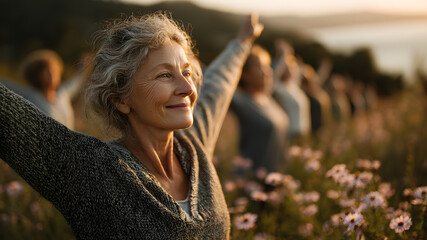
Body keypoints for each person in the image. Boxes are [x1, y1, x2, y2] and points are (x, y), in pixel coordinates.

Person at [0, 12, 263, 239]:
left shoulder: (195, 147)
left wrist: (243, 41)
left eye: (185, 72)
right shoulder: (90, 170)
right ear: (121, 99)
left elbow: (218, 84)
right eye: (164, 75)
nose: (187, 88)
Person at [230, 44, 289, 172]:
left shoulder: (267, 97)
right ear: (245, 74)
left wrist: (283, 55)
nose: (268, 71)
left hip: (276, 178)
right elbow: (216, 81)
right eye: (260, 67)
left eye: (268, 66)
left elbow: (277, 69)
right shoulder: (239, 100)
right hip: (253, 182)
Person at [1, 50, 82, 129]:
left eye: (54, 70)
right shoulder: (32, 97)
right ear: (37, 75)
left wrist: (85, 66)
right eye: (46, 71)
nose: (51, 74)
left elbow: (76, 81)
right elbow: (7, 85)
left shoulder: (62, 94)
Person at [272, 39, 311, 139]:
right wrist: (283, 56)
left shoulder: (294, 86)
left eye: (293, 67)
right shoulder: (279, 88)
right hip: (290, 136)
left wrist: (288, 53)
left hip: (304, 134)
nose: (291, 69)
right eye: (288, 67)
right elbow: (273, 80)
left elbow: (298, 71)